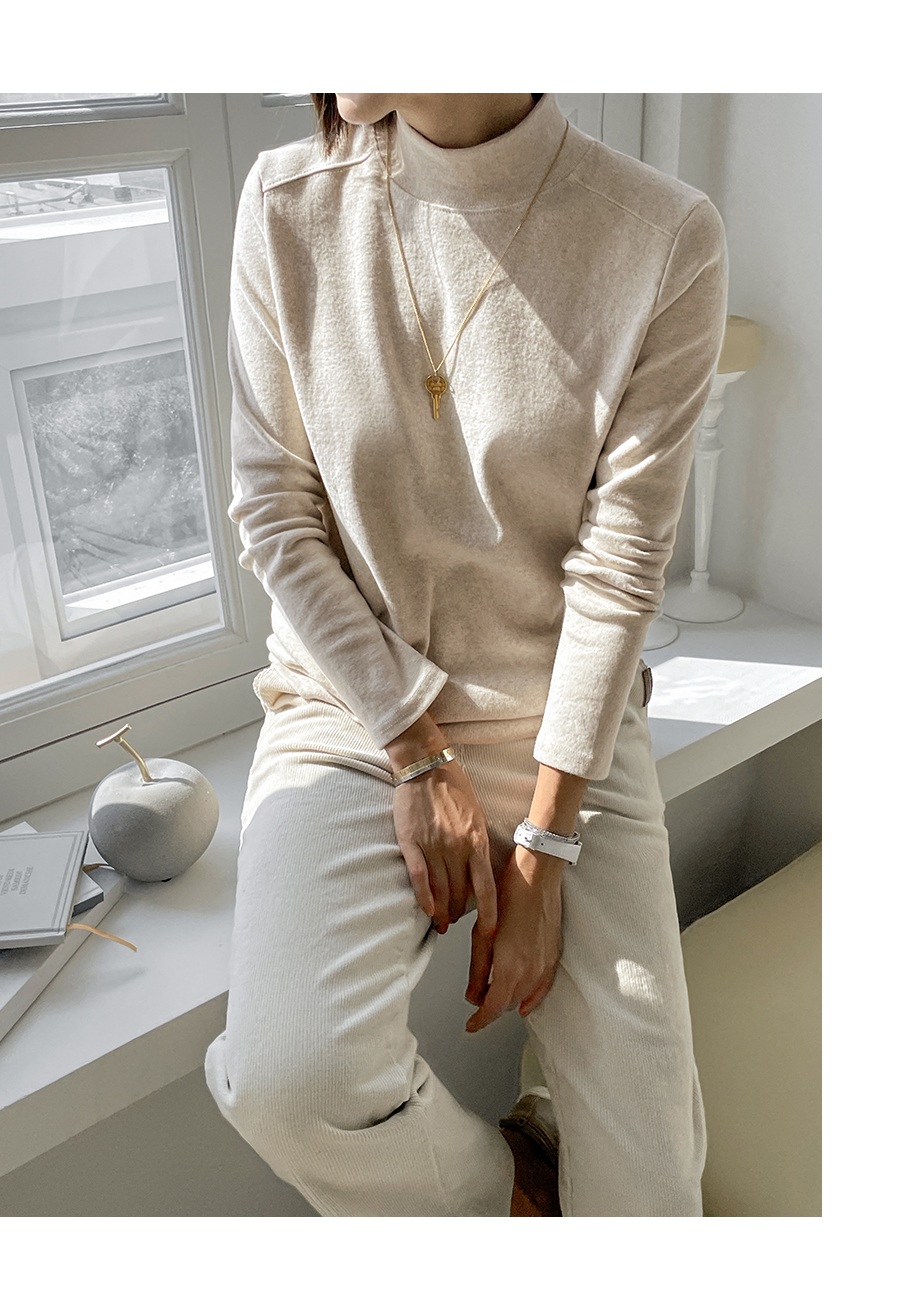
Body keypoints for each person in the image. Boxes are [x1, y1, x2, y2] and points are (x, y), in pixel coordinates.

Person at [204, 92, 728, 1217]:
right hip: (355, 711)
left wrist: (546, 843)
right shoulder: (287, 204)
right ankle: (515, 1192)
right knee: (291, 1086)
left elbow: (618, 569)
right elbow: (275, 513)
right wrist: (414, 745)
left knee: (653, 1202)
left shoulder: (660, 236)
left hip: (561, 730)